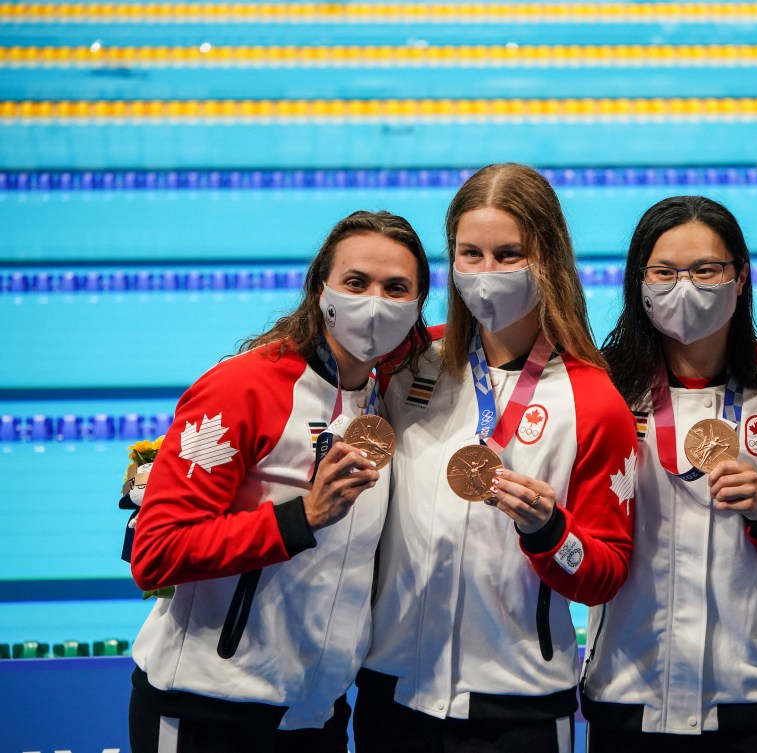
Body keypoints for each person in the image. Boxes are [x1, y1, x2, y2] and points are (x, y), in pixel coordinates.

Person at [353, 163, 637, 753]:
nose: (487, 275)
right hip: (392, 692)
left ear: (549, 260)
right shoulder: (410, 364)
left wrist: (550, 531)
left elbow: (606, 572)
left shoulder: (592, 400)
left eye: (510, 255)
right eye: (470, 254)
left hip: (520, 707)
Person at [128, 210, 431, 753]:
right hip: (206, 711)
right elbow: (158, 552)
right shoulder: (244, 388)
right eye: (356, 283)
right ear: (321, 290)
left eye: (396, 289)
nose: (374, 303)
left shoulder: (387, 396)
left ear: (415, 308)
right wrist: (302, 517)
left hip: (317, 718)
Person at [581, 196, 757, 753]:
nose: (683, 287)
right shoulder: (603, 386)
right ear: (638, 283)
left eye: (706, 270)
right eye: (664, 272)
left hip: (755, 695)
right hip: (627, 690)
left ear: (740, 278)